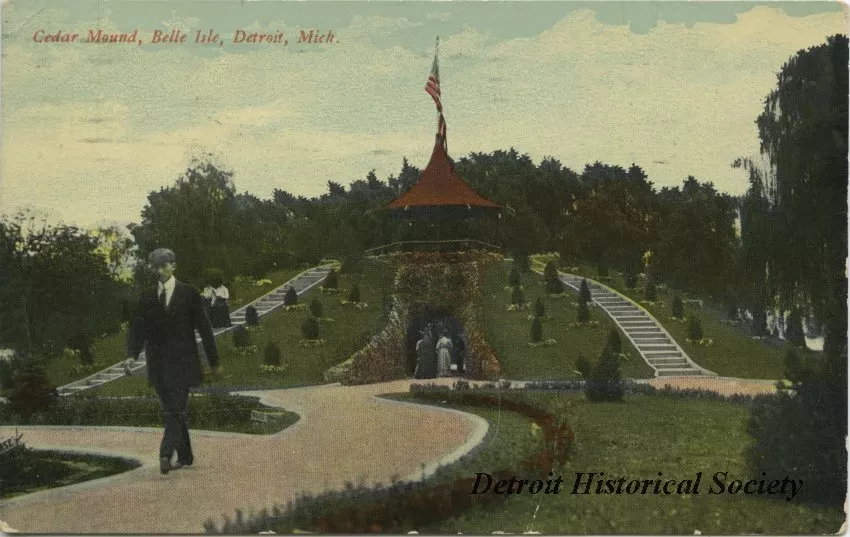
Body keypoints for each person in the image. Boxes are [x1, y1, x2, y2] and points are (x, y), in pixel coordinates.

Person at [125, 248, 221, 475]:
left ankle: (165, 454)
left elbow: (205, 329)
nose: (160, 271)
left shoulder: (189, 293)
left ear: (173, 265)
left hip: (183, 363)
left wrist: (214, 361)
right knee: (173, 410)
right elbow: (138, 329)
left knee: (175, 409)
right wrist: (131, 355)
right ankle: (186, 456)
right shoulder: (147, 296)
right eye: (156, 267)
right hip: (157, 365)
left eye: (164, 265)